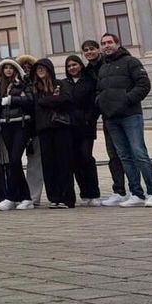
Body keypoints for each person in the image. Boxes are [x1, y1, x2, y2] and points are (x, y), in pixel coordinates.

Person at [97, 33, 152, 208]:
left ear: (118, 44)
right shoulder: (103, 67)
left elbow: (144, 85)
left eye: (110, 42)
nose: (106, 46)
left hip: (130, 115)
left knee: (139, 153)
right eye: (103, 43)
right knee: (124, 156)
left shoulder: (131, 62)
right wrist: (100, 102)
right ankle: (136, 193)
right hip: (111, 118)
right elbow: (99, 90)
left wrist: (126, 100)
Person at [82, 39, 128, 206]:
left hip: (120, 112)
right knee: (113, 153)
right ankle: (119, 190)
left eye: (92, 49)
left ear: (98, 50)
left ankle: (135, 189)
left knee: (129, 151)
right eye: (86, 50)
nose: (89, 52)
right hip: (105, 114)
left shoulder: (110, 63)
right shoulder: (86, 71)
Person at [31, 59, 75, 209]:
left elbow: (67, 99)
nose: (40, 71)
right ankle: (54, 197)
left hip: (60, 127)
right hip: (44, 129)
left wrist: (46, 101)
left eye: (43, 68)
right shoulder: (35, 88)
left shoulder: (60, 84)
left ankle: (67, 198)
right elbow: (36, 105)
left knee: (64, 163)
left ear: (49, 69)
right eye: (38, 69)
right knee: (49, 164)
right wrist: (53, 100)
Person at [0, 60, 34, 211]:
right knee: (13, 162)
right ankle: (25, 198)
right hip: (6, 125)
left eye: (11, 68)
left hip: (21, 124)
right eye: (5, 68)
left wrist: (12, 99)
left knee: (15, 160)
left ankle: (11, 197)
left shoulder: (23, 83)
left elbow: (30, 100)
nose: (8, 70)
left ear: (16, 69)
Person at [64, 56, 101, 207]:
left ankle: (93, 193)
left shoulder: (89, 82)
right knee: (74, 160)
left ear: (80, 65)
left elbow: (95, 103)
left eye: (74, 65)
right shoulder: (64, 84)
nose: (72, 68)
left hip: (85, 127)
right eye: (69, 66)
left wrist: (89, 119)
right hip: (69, 127)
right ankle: (84, 193)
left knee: (86, 157)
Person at [16, 54, 44, 206]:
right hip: (23, 128)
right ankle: (29, 196)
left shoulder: (39, 84)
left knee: (36, 163)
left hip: (38, 128)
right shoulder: (17, 84)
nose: (26, 69)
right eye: (23, 67)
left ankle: (35, 196)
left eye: (29, 67)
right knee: (30, 163)